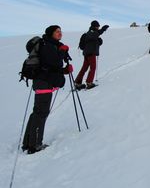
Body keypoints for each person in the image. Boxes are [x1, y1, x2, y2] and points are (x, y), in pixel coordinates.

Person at [22, 25, 72, 154]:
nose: (60, 33)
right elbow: (54, 61)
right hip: (43, 83)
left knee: (37, 112)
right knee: (41, 113)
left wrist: (64, 71)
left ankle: (28, 142)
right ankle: (35, 145)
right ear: (51, 33)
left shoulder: (51, 45)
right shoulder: (48, 45)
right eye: (57, 31)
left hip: (42, 82)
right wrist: (62, 51)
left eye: (61, 31)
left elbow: (50, 66)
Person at [74, 21, 109, 90]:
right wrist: (103, 29)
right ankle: (89, 82)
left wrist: (99, 42)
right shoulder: (92, 32)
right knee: (93, 67)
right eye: (97, 26)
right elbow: (97, 33)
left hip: (87, 53)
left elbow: (93, 42)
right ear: (94, 26)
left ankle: (78, 82)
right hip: (90, 53)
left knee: (84, 67)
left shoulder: (91, 33)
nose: (98, 27)